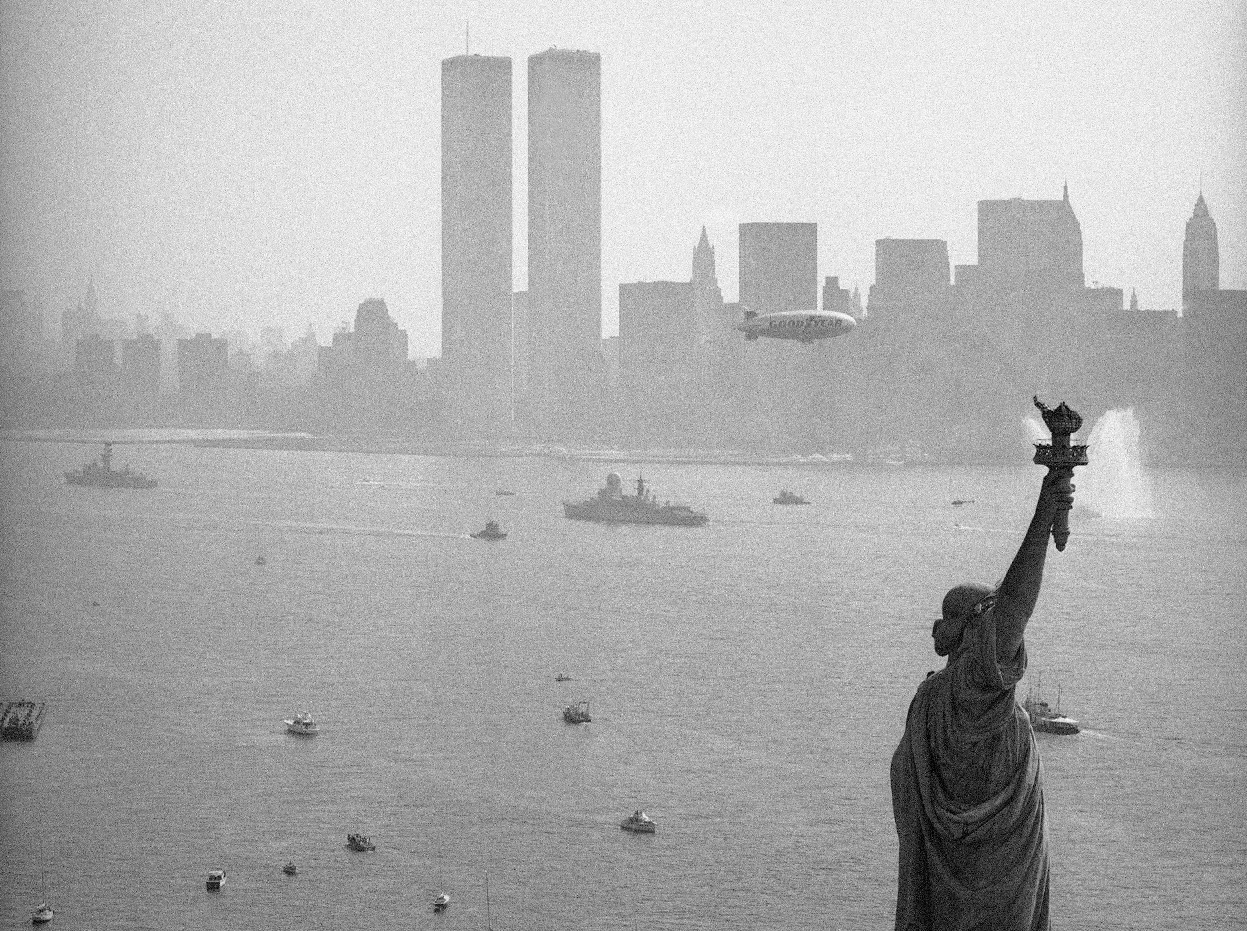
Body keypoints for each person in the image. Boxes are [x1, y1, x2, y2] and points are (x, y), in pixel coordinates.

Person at [890, 466, 1075, 931]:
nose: (936, 627)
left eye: (947, 616)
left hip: (998, 867)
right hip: (962, 861)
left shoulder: (972, 687)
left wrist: (1043, 512)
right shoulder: (935, 696)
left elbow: (1014, 603)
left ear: (976, 629)